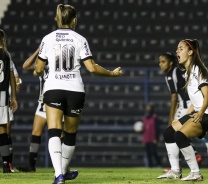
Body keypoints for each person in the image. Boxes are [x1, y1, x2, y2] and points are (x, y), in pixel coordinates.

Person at [33, 4, 122, 184]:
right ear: (74, 20)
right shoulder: (80, 39)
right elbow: (91, 68)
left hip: (54, 88)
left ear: (58, 18)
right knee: (70, 134)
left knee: (54, 132)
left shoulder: (48, 39)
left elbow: (39, 68)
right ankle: (63, 172)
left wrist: (42, 72)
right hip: (75, 90)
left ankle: (59, 175)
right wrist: (112, 73)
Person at [159, 39, 208, 181]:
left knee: (180, 136)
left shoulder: (198, 69)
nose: (177, 51)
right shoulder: (188, 72)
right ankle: (175, 171)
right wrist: (185, 117)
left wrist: (199, 114)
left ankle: (196, 173)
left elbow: (207, 95)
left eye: (180, 48)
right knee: (169, 133)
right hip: (199, 111)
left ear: (190, 52)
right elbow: (196, 100)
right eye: (177, 49)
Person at [16, 47, 50, 172]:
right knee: (36, 132)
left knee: (59, 134)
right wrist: (38, 50)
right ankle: (31, 165)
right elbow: (25, 65)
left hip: (56, 102)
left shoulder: (56, 65)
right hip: (43, 102)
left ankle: (62, 165)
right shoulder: (43, 65)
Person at [0, 29, 18, 173]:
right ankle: (6, 164)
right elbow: (12, 76)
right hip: (2, 95)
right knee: (3, 130)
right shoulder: (6, 55)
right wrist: (13, 98)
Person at [7, 61, 22, 172]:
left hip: (4, 99)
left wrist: (18, 83)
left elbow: (16, 77)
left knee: (6, 133)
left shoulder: (7, 57)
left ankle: (8, 163)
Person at [142, 103, 162, 168]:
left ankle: (158, 164)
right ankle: (150, 165)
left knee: (154, 152)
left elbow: (157, 128)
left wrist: (156, 138)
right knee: (148, 153)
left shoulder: (155, 118)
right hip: (146, 138)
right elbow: (143, 128)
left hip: (153, 138)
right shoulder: (144, 118)